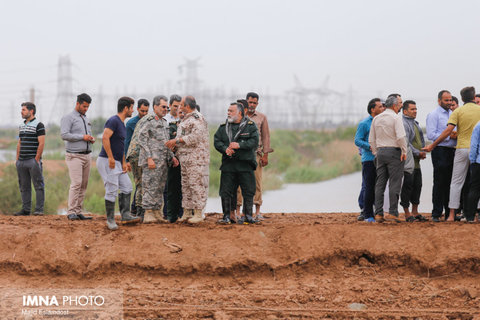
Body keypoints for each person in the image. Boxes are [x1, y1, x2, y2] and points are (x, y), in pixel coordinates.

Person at [423, 87, 480, 222]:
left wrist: (432, 145)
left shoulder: (457, 111)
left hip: (461, 149)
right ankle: (474, 214)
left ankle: (451, 215)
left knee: (456, 182)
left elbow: (448, 131)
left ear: (461, 99)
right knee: (476, 183)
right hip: (477, 150)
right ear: (473, 97)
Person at [97, 97, 141, 230]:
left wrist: (123, 162)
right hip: (107, 160)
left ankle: (125, 215)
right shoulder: (113, 120)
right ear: (125, 108)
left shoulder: (122, 124)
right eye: (132, 108)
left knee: (127, 186)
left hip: (117, 162)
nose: (133, 110)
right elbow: (105, 137)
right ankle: (110, 220)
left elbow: (120, 145)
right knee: (112, 189)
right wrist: (110, 157)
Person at [165, 96, 209, 224]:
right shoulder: (186, 118)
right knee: (186, 186)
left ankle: (198, 213)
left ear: (187, 106)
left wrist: (177, 141)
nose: (179, 107)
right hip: (184, 158)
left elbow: (195, 137)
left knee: (196, 185)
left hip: (195, 158)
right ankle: (187, 212)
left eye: (182, 105)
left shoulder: (197, 118)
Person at [214, 102, 259, 224]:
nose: (228, 113)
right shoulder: (223, 127)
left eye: (231, 111)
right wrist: (225, 149)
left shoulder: (250, 126)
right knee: (226, 191)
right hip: (229, 165)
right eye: (228, 110)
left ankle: (248, 216)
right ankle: (228, 216)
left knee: (248, 190)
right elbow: (217, 141)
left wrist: (240, 145)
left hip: (245, 164)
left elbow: (254, 142)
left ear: (239, 112)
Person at [138, 95, 178, 223]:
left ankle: (156, 212)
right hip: (152, 160)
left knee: (159, 187)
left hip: (163, 161)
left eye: (167, 107)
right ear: (155, 107)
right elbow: (141, 139)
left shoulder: (164, 122)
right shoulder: (149, 120)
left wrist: (172, 157)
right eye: (163, 107)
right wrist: (149, 157)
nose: (165, 109)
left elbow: (166, 142)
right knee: (150, 186)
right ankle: (148, 212)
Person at [369, 94, 407, 222]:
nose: (401, 106)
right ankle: (393, 212)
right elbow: (401, 137)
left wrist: (375, 152)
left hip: (380, 152)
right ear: (395, 106)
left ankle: (378, 213)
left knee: (380, 183)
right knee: (394, 183)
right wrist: (404, 150)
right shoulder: (396, 118)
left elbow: (371, 139)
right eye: (400, 104)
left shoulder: (377, 119)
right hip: (394, 151)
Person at [236, 92, 273, 220]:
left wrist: (265, 155)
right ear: (246, 102)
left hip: (256, 154)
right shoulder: (239, 116)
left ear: (257, 104)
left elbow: (266, 136)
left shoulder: (262, 117)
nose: (252, 105)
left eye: (254, 103)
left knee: (257, 182)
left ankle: (257, 211)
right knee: (239, 183)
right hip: (240, 155)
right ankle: (238, 211)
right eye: (250, 102)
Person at [60, 93, 94, 220]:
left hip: (87, 155)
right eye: (84, 106)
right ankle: (71, 211)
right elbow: (64, 135)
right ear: (78, 104)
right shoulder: (68, 117)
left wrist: (89, 139)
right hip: (74, 156)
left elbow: (84, 135)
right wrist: (82, 137)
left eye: (87, 107)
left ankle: (78, 210)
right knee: (76, 183)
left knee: (84, 184)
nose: (86, 109)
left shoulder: (85, 118)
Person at [354, 98, 385, 223]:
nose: (383, 108)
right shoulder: (364, 123)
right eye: (380, 106)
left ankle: (378, 212)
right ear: (373, 109)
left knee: (379, 187)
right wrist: (370, 146)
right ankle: (367, 214)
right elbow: (357, 140)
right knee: (368, 186)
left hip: (382, 159)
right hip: (369, 159)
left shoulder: (382, 122)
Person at [14, 102, 45, 216]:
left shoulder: (39, 125)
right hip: (21, 161)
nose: (21, 112)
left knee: (38, 185)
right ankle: (26, 210)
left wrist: (36, 160)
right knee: (24, 186)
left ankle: (39, 210)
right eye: (21, 109)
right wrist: (17, 159)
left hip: (32, 161)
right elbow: (20, 142)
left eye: (24, 110)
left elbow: (41, 143)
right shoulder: (22, 125)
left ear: (31, 111)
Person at [400, 100, 427, 222]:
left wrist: (423, 151)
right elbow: (406, 143)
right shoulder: (403, 123)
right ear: (405, 111)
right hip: (408, 162)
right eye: (412, 109)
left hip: (417, 162)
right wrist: (417, 152)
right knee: (407, 186)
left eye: (416, 109)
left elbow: (419, 139)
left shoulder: (414, 123)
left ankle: (415, 211)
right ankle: (407, 213)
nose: (415, 111)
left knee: (418, 185)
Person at [124, 99, 149, 216]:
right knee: (140, 183)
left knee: (144, 183)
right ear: (138, 109)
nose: (144, 113)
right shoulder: (131, 123)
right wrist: (126, 160)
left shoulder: (149, 121)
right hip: (135, 157)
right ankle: (139, 211)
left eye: (146, 111)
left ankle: (136, 208)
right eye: (142, 111)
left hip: (146, 157)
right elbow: (127, 142)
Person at [166, 108, 185, 222]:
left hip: (187, 162)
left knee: (186, 189)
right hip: (174, 161)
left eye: (184, 112)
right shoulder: (171, 126)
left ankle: (184, 214)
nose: (182, 114)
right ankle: (171, 215)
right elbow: (168, 141)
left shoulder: (190, 126)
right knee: (172, 189)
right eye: (180, 112)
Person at [466, 120, 480, 222]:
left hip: (478, 162)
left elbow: (474, 145)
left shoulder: (478, 125)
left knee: (474, 188)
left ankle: (470, 217)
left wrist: (473, 160)